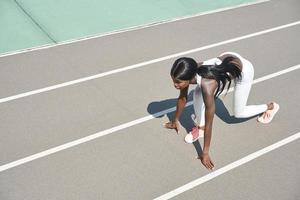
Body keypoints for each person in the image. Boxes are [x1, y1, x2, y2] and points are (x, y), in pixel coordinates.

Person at [164, 52, 279, 170]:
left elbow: (210, 122)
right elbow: (183, 97)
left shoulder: (207, 86)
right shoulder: (189, 70)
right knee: (197, 94)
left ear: (189, 78)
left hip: (244, 70)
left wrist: (205, 153)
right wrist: (175, 120)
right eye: (174, 80)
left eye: (178, 82)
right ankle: (200, 129)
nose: (175, 85)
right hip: (226, 57)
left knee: (239, 113)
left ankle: (270, 106)